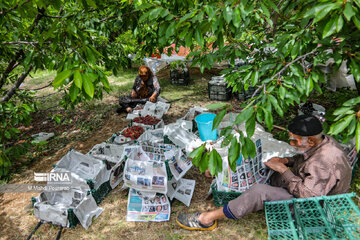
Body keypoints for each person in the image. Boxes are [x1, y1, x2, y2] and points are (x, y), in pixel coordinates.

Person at [176, 114, 352, 231]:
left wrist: (284, 169)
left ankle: (206, 219)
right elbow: (306, 161)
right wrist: (287, 162)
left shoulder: (323, 163)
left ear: (311, 141)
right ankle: (229, 183)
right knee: (267, 169)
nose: (291, 143)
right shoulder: (323, 141)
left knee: (260, 192)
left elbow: (309, 196)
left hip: (312, 206)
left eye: (294, 141)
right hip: (307, 184)